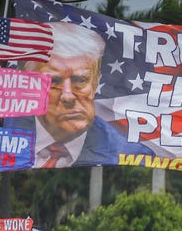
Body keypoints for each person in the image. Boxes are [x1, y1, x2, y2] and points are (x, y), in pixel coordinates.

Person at [13, 22, 154, 168]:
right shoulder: (3, 131)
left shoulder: (130, 153)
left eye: (80, 80)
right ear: (28, 82)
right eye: (54, 81)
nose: (68, 96)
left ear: (95, 83)